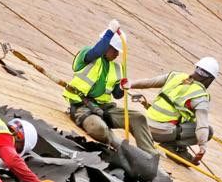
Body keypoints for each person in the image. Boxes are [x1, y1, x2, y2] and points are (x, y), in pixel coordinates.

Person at [64, 20, 155, 153]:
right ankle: (122, 148)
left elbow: (117, 95)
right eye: (115, 50)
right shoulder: (88, 54)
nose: (117, 54)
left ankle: (150, 155)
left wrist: (122, 87)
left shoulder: (117, 68)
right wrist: (110, 32)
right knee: (99, 129)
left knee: (138, 118)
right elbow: (98, 51)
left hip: (104, 109)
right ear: (107, 46)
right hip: (82, 107)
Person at [126, 57, 220, 164]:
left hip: (144, 126)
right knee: (209, 131)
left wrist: (130, 84)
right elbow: (202, 126)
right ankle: (172, 146)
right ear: (210, 79)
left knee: (186, 118)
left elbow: (149, 82)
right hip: (161, 133)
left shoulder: (176, 76)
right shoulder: (200, 95)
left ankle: (175, 146)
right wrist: (202, 147)